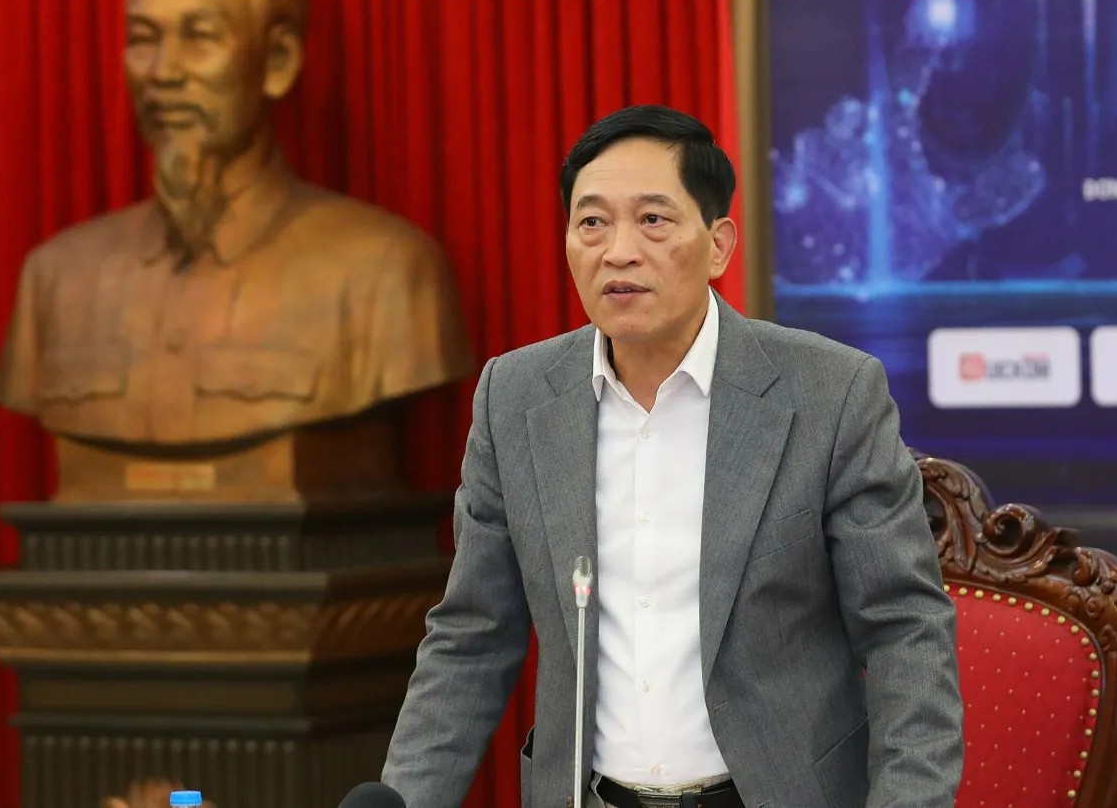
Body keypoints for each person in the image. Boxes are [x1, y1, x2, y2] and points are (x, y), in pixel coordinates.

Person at [381, 105, 963, 808]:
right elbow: (471, 638)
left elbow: (904, 631)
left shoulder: (830, 394)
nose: (618, 251)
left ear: (718, 245)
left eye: (653, 220)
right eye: (592, 223)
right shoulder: (515, 397)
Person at [0, 0, 472, 448]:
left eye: (200, 37)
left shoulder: (387, 274)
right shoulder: (55, 280)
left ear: (277, 61)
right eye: (143, 39)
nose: (162, 72)